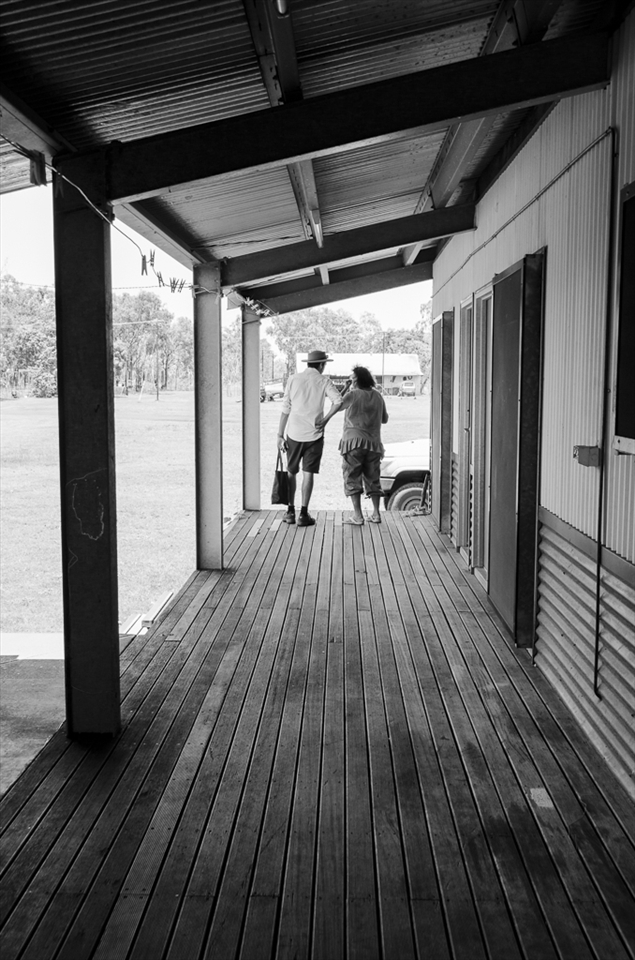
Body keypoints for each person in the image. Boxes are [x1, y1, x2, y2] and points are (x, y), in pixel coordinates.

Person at [277, 349, 342, 527]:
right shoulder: (323, 381)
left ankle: (290, 512)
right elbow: (338, 401)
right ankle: (304, 515)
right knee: (308, 474)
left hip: (293, 435)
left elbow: (285, 409)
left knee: (291, 472)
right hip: (314, 436)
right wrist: (326, 420)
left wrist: (279, 435)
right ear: (321, 365)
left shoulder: (293, 379)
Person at [318, 365, 388, 525]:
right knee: (373, 478)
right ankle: (376, 514)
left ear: (356, 379)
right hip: (374, 444)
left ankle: (358, 516)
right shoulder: (378, 396)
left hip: (353, 442)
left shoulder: (353, 394)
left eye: (352, 377)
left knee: (352, 477)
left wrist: (346, 387)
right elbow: (384, 419)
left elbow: (337, 404)